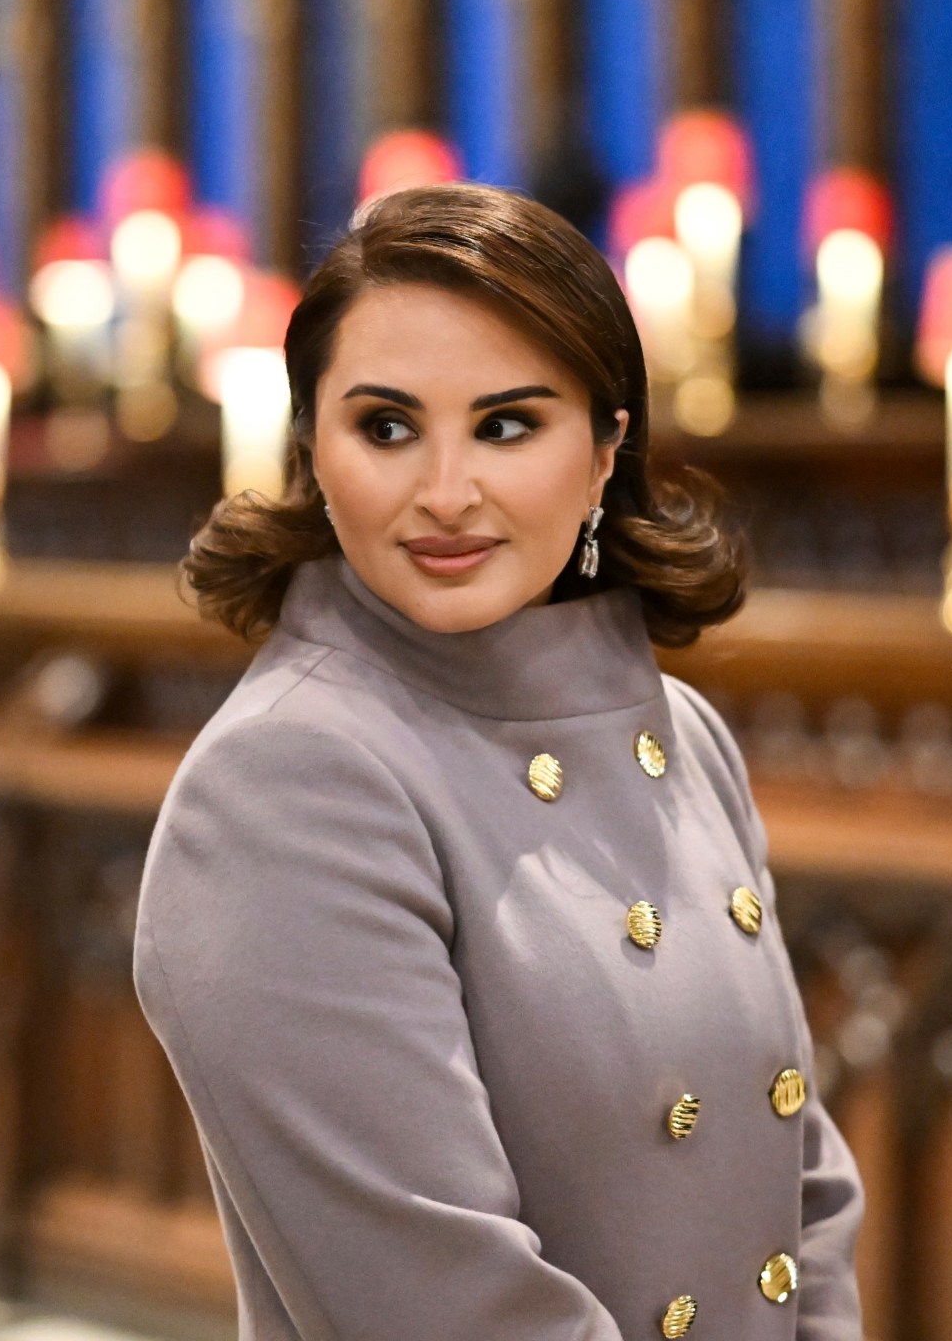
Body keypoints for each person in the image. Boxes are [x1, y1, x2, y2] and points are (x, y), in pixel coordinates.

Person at [136, 184, 861, 1339]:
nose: (444, 493)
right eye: (385, 427)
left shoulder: (684, 736)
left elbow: (801, 1193)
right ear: (311, 448)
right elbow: (444, 1306)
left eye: (506, 424)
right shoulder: (289, 782)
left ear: (603, 449)